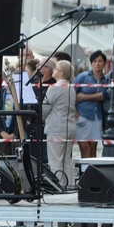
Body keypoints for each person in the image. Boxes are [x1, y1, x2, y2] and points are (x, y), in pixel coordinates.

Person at [42, 60, 77, 188]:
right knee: (67, 160)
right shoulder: (71, 88)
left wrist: (41, 117)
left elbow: (45, 107)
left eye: (56, 69)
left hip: (56, 128)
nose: (53, 71)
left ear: (61, 73)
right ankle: (69, 186)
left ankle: (58, 187)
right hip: (70, 127)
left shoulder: (54, 88)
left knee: (55, 160)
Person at [73, 50, 109, 159]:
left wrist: (84, 97)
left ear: (104, 63)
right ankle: (84, 172)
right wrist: (77, 116)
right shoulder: (83, 77)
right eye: (94, 61)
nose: (97, 64)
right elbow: (71, 96)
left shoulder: (106, 80)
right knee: (84, 148)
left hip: (97, 117)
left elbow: (105, 95)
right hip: (82, 116)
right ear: (91, 63)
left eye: (100, 61)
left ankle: (93, 172)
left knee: (93, 149)